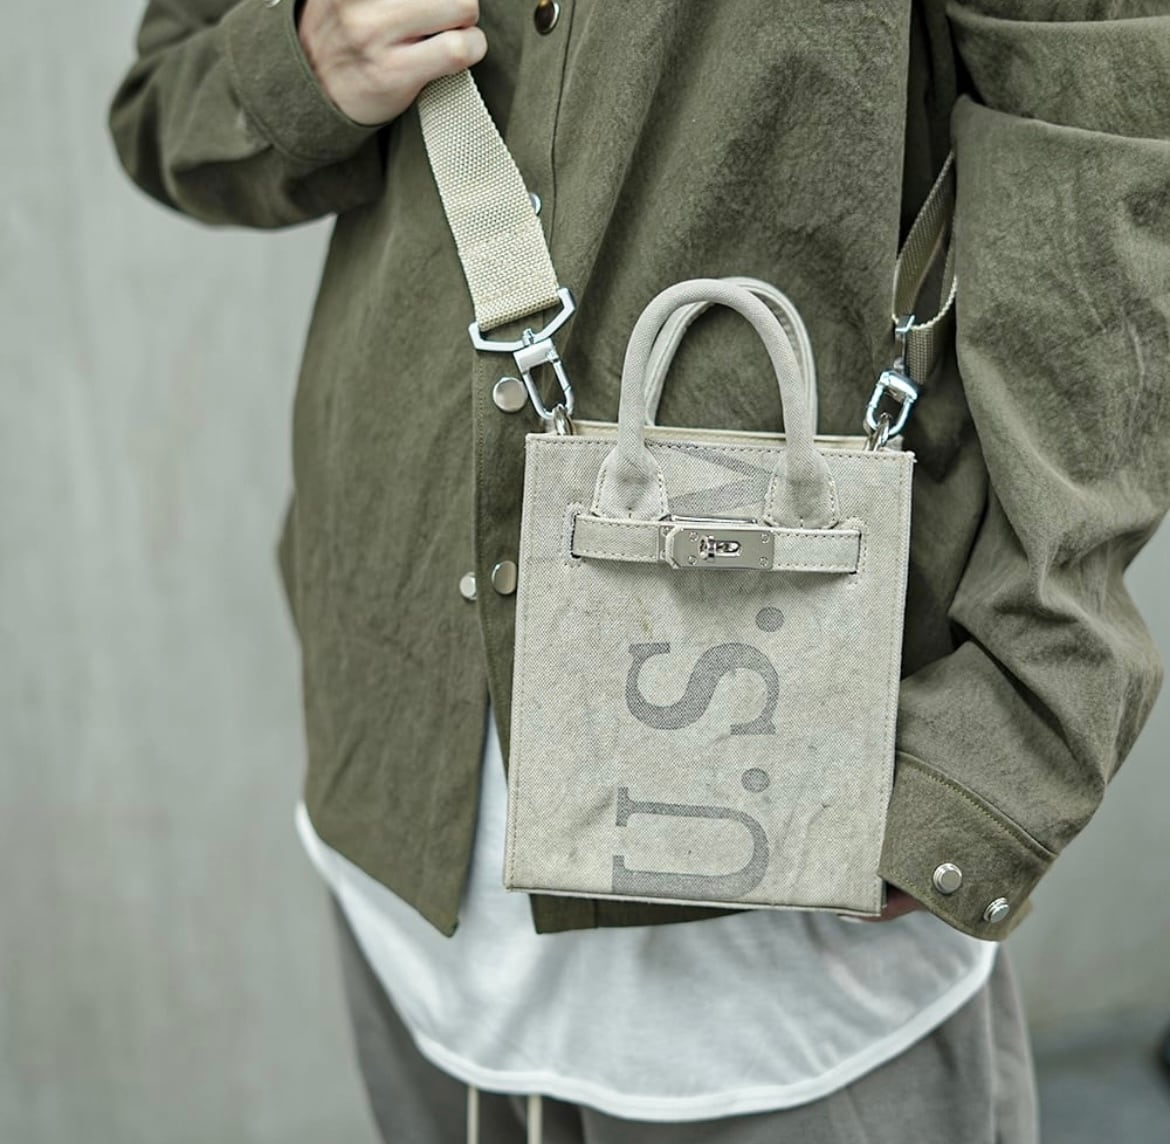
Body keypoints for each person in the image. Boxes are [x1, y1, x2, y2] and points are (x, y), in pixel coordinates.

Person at [107, 1, 1168, 1141]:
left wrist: (1001, 743)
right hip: (404, 815)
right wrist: (305, 61)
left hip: (795, 893)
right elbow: (164, 97)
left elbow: (1102, 146)